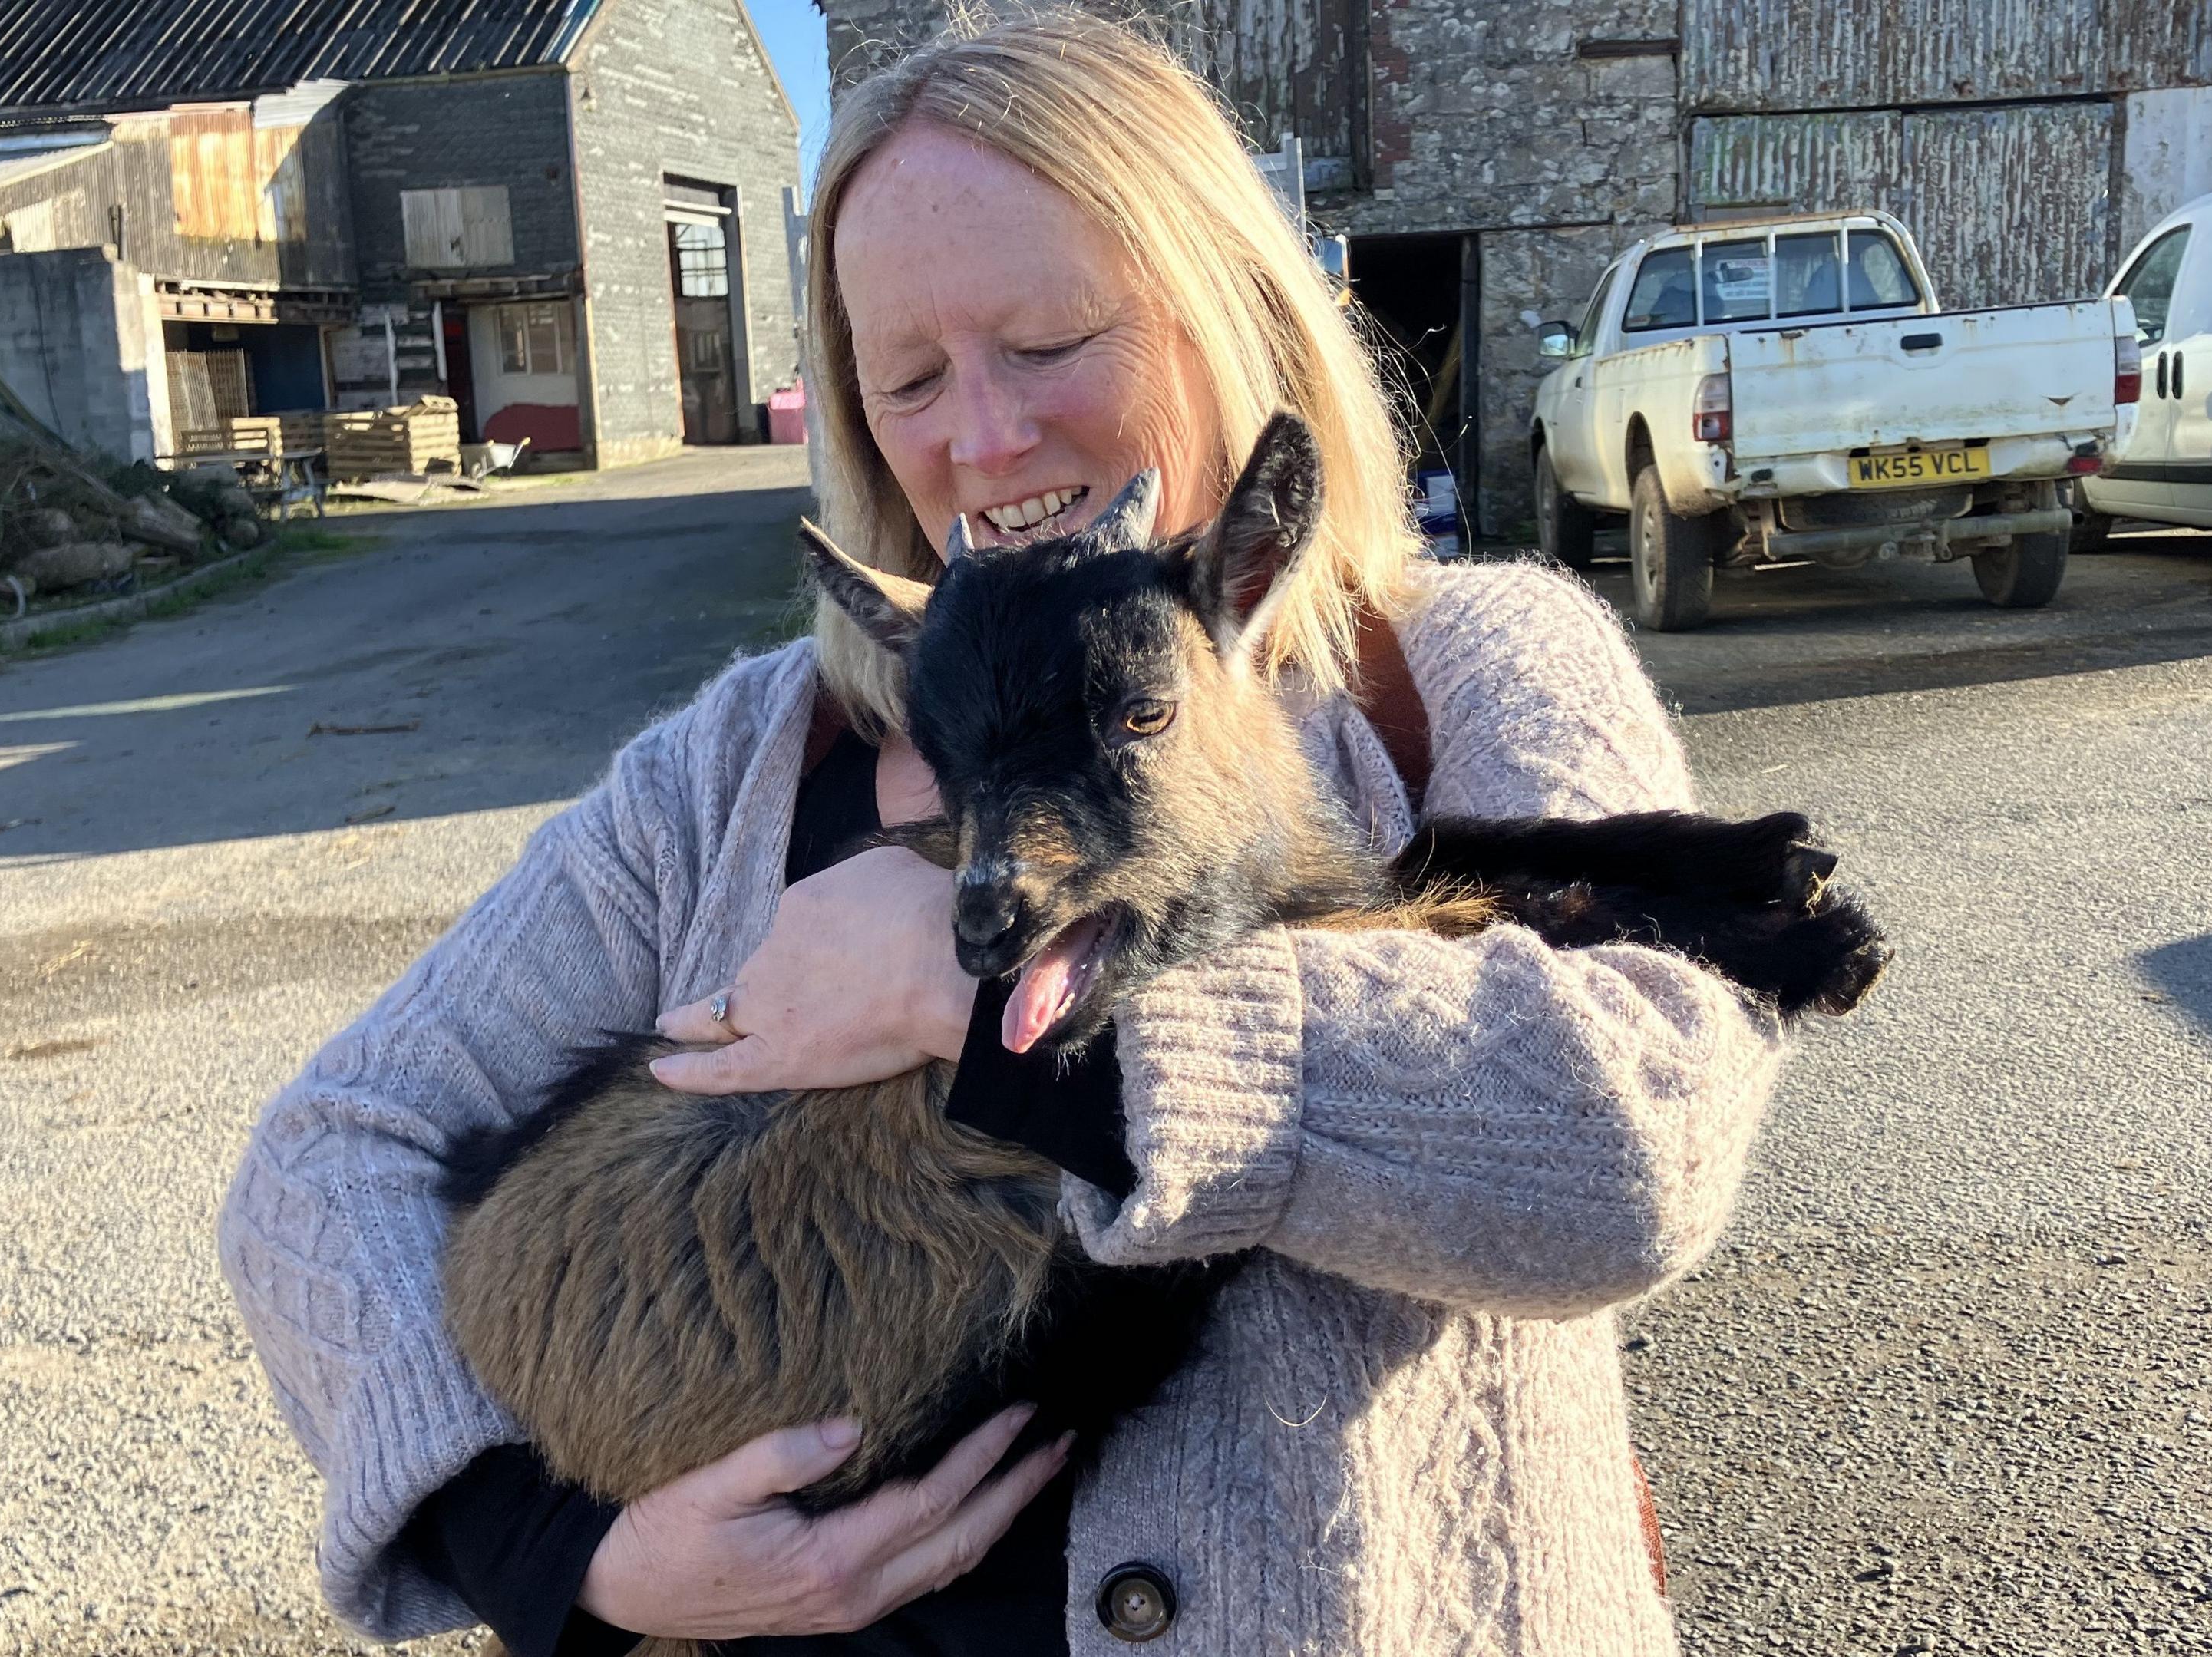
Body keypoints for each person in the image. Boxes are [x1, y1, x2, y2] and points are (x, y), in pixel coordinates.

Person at [218, 12, 1786, 1655]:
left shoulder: (1459, 675)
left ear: (1224, 312)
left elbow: (1630, 1147)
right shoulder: (736, 771)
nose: (980, 438)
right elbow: (330, 1161)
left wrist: (983, 1017)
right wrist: (559, 1553)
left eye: (1044, 344)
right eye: (907, 378)